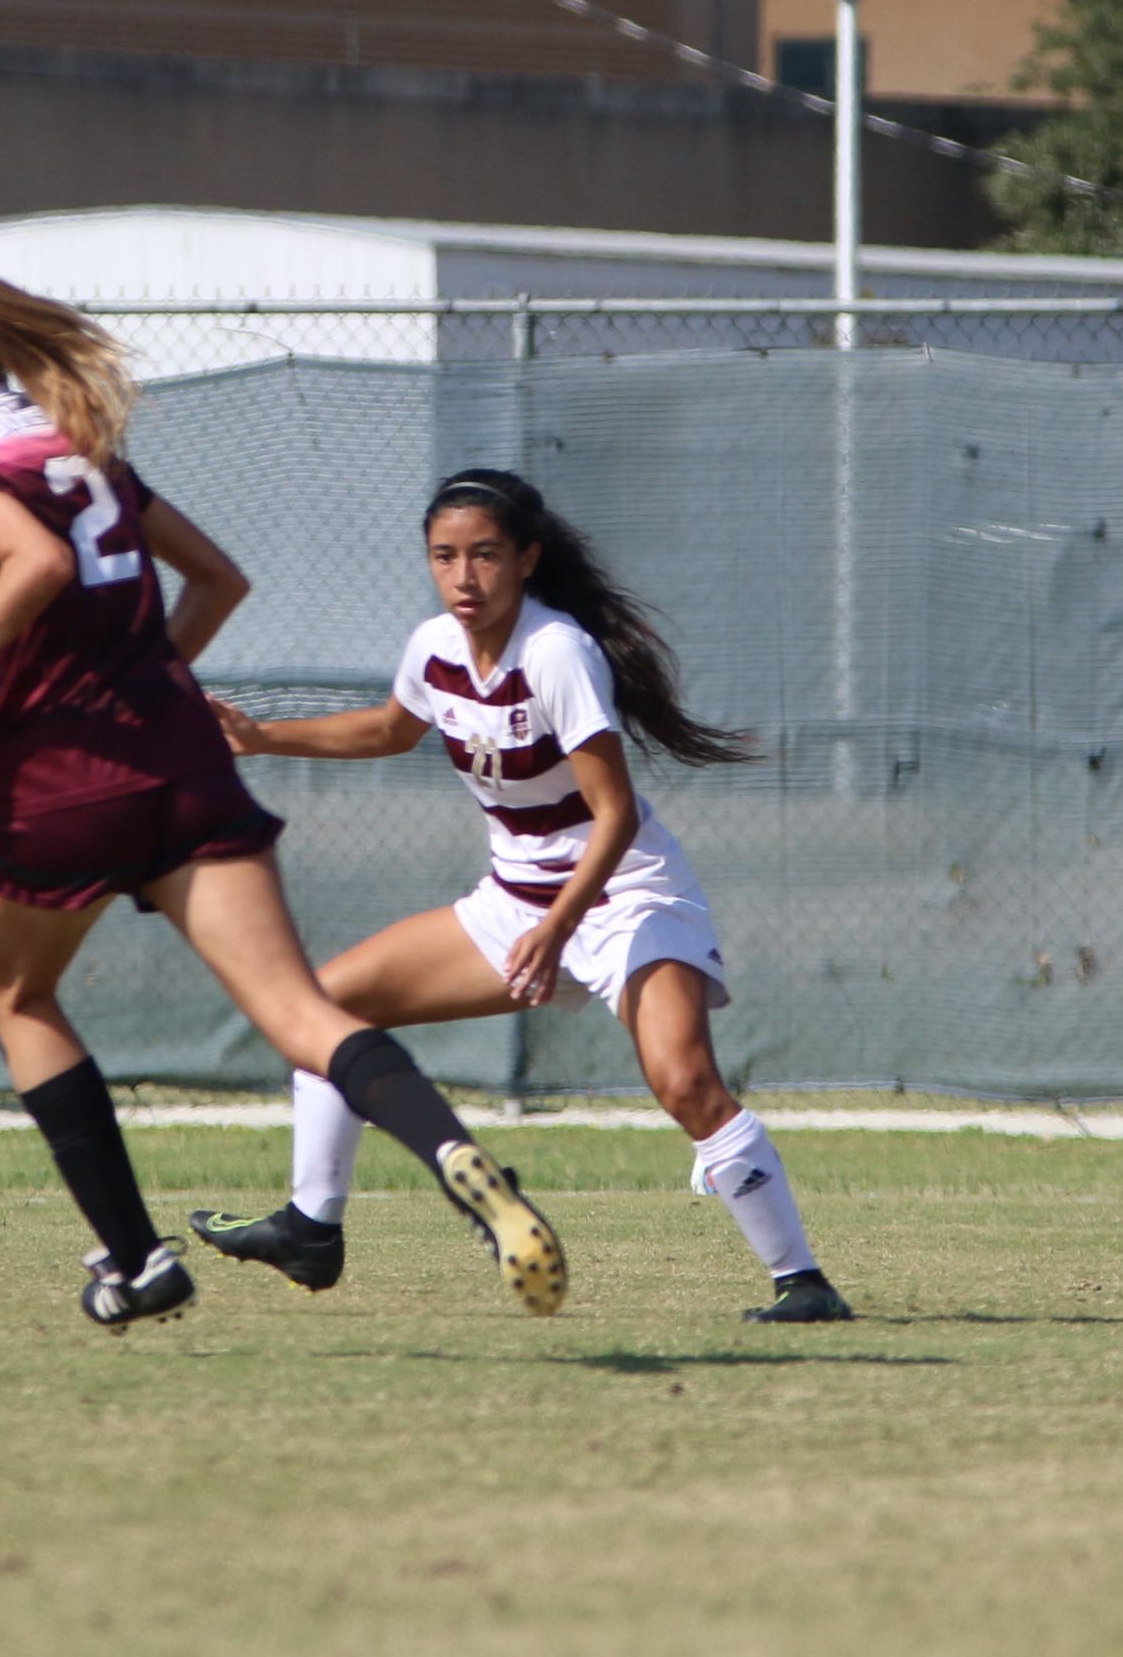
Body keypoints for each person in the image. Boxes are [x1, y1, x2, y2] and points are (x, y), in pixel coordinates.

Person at [0, 269, 566, 1332]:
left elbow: (36, 559)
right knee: (303, 1013)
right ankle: (455, 1152)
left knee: (16, 997)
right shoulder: (70, 441)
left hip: (63, 772)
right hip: (181, 758)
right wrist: (146, 686)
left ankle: (137, 1261)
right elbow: (220, 580)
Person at [188, 469, 854, 1325]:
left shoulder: (557, 652)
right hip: (515, 902)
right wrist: (261, 737)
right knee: (323, 1006)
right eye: (445, 557)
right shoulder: (434, 645)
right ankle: (312, 1227)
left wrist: (559, 927)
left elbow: (613, 817)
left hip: (624, 899)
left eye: (486, 556)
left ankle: (803, 1282)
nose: (465, 577)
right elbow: (393, 728)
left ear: (528, 560)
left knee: (685, 1083)